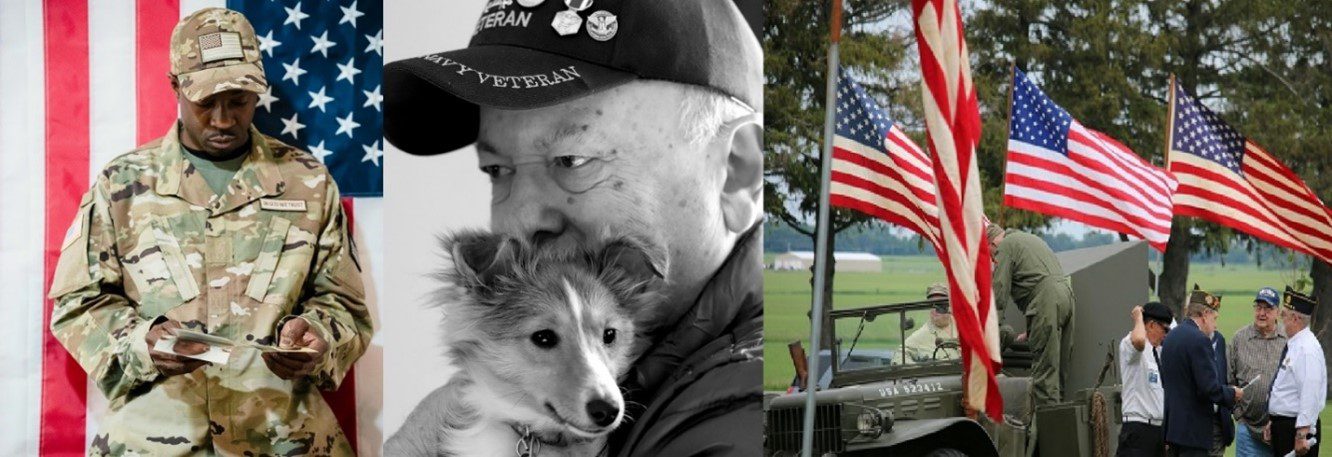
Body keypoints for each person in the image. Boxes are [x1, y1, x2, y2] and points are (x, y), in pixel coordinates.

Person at [381, 1, 763, 455]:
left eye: (574, 160)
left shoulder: (745, 414)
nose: (522, 219)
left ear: (736, 173)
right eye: (497, 168)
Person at [47, 8, 373, 455]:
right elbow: (78, 305)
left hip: (283, 437)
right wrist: (142, 345)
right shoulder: (122, 185)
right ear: (175, 86)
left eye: (238, 100)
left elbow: (346, 307)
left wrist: (318, 335)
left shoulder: (307, 181)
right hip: (154, 439)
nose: (222, 120)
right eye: (205, 102)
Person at [986, 223, 1075, 408]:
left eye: (991, 254)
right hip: (1066, 297)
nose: (993, 259)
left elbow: (999, 292)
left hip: (1047, 303)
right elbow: (1037, 278)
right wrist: (1033, 328)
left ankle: (1046, 432)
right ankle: (1062, 421)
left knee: (1044, 376)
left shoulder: (1005, 246)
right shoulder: (1029, 239)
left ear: (993, 243)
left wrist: (990, 330)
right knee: (1059, 373)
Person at [1161, 288, 1243, 457]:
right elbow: (1208, 388)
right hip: (1194, 434)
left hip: (1173, 430)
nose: (1216, 325)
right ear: (1205, 314)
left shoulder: (1171, 337)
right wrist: (1232, 393)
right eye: (1215, 318)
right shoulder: (1200, 340)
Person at [1266, 287, 1326, 457]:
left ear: (1296, 318)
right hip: (1285, 426)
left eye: (1284, 315)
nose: (1280, 319)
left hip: (1297, 429)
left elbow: (1310, 392)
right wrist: (1274, 420)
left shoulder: (1307, 349)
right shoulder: (1296, 344)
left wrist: (1301, 434)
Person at [1229, 287, 1286, 457]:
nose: (1262, 313)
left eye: (1268, 309)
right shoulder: (1240, 339)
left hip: (1280, 428)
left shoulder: (1288, 340)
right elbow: (1228, 379)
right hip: (1248, 429)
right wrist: (1239, 415)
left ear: (1277, 312)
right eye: (1258, 307)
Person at [1119, 302, 1174, 457]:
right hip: (1138, 429)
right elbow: (1138, 341)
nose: (1166, 335)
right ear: (1151, 325)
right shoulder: (1132, 344)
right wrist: (1138, 318)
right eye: (1164, 329)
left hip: (1156, 431)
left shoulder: (1156, 352)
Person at [905, 283, 960, 362]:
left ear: (949, 305)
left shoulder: (963, 326)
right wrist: (920, 369)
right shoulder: (920, 335)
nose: (935, 309)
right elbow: (898, 356)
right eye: (931, 304)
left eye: (940, 304)